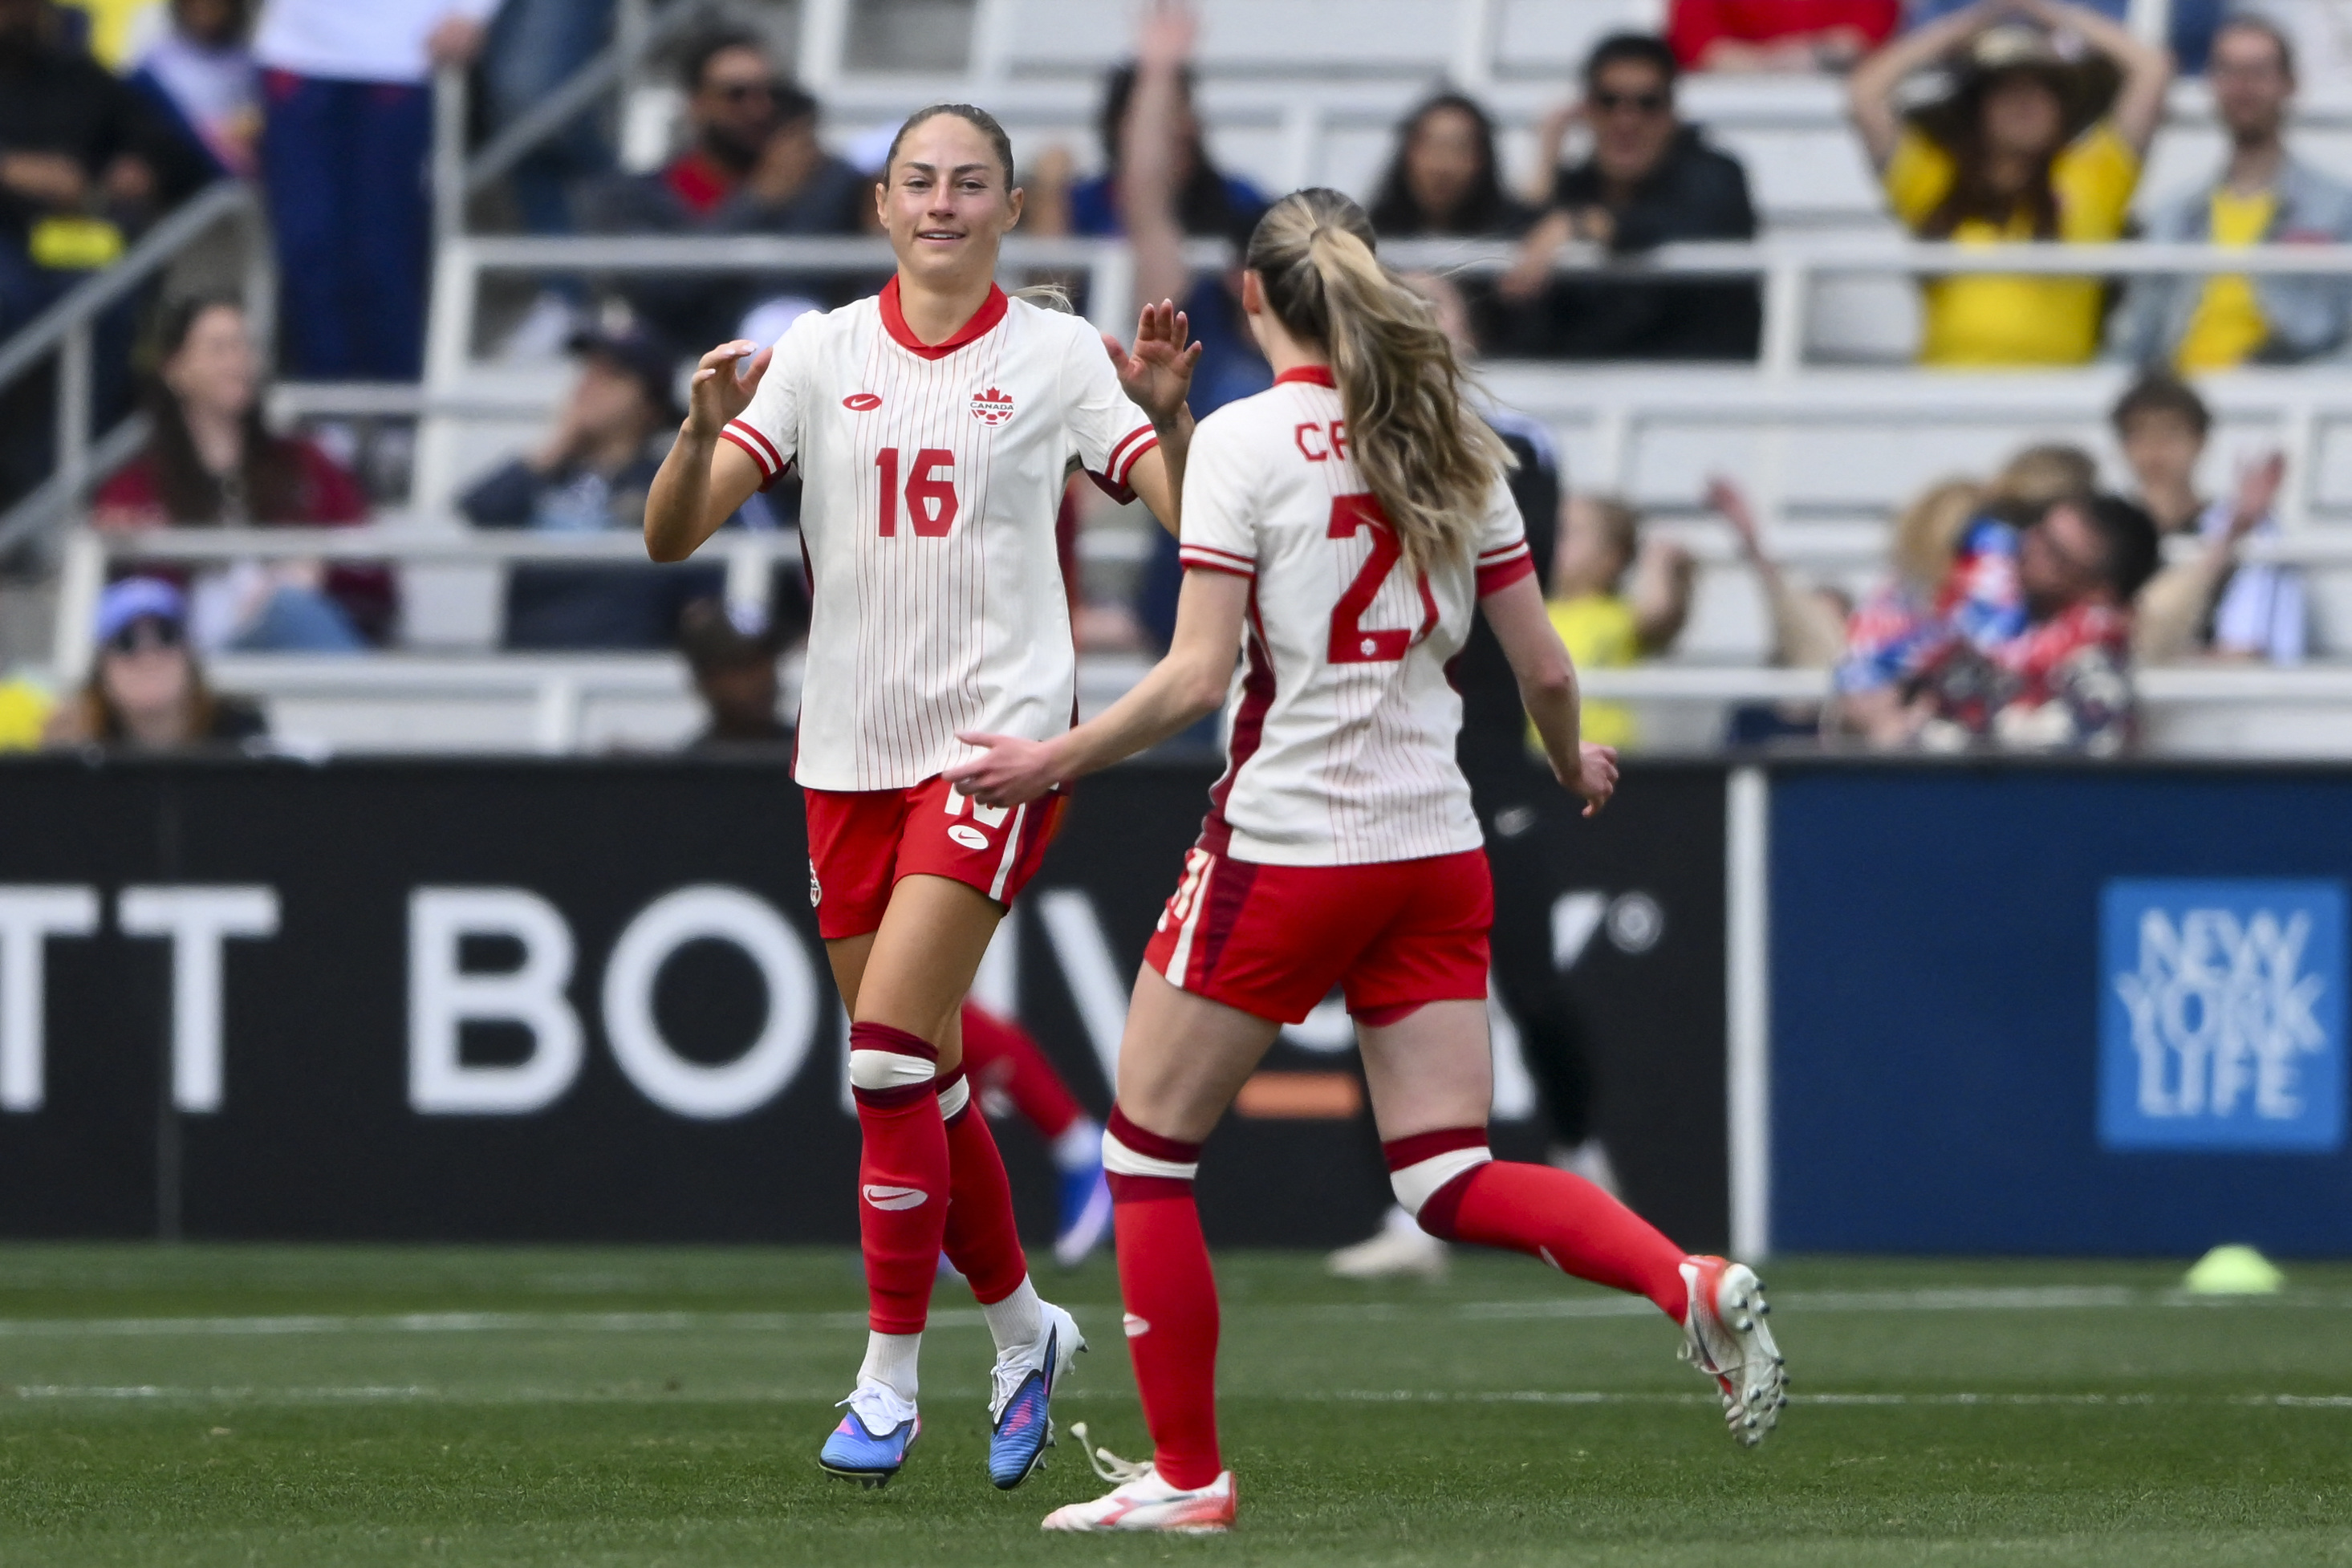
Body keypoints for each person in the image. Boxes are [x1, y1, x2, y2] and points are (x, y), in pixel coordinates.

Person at [948, 189, 1787, 1533]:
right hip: (1435, 847)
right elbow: (1545, 666)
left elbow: (1197, 673)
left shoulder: (1247, 435)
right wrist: (1568, 762)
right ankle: (1677, 1275)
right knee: (1444, 1172)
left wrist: (1052, 757)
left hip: (1287, 842)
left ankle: (1188, 1473)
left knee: (1146, 1153)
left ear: (1249, 297)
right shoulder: (1449, 435)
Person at [640, 102, 1200, 1491]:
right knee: (924, 1073)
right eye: (919, 181)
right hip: (845, 753)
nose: (942, 201)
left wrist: (1169, 418)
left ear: (1009, 209)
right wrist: (694, 435)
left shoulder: (1060, 355)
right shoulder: (820, 353)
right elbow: (671, 534)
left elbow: (1191, 524)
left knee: (885, 1051)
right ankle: (1023, 1328)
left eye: (969, 182)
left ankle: (887, 1378)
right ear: (881, 206)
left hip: (994, 747)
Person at [1848, 0, 2172, 368]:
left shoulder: (2093, 177)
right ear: (1978, 108)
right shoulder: (1934, 181)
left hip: (2059, 397)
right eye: (2006, 89)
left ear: (2062, 108)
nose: (2025, 104)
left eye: (2042, 90)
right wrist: (1974, 21)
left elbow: (2151, 69)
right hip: (1944, 393)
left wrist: (2046, 11)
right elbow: (1865, 92)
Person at [94, 297, 391, 650]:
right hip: (194, 660)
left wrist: (322, 569)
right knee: (289, 607)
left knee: (290, 606)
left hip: (291, 649)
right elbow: (119, 602)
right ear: (174, 371)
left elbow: (378, 575)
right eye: (219, 349)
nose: (237, 361)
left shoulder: (307, 462)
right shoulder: (135, 485)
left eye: (244, 346)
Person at [0, 0, 189, 504]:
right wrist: (12, 169)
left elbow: (167, 148)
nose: (16, 13)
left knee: (109, 306)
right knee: (11, 300)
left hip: (70, 247)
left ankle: (59, 490)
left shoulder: (76, 75)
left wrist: (137, 167)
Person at [252, 0, 496, 379]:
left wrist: (473, 12)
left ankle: (397, 399)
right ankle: (322, 399)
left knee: (386, 248)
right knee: (306, 243)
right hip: (298, 51)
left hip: (402, 53)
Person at [460, 320, 725, 650]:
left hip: (623, 664)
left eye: (611, 376)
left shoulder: (669, 482)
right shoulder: (547, 472)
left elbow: (701, 596)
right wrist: (558, 445)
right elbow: (479, 511)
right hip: (526, 661)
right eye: (588, 369)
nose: (589, 384)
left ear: (650, 407)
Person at [1500, 31, 1761, 360]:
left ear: (1672, 113)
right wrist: (1545, 162)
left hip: (1698, 381)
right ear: (1586, 111)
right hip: (1582, 380)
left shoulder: (1715, 174)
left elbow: (1698, 221)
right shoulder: (1573, 188)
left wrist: (1596, 224)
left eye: (1647, 103)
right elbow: (1512, 272)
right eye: (1608, 102)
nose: (1626, 121)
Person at [2114, 14, 2352, 373]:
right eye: (2228, 71)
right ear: (2211, 83)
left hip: (2288, 393)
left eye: (2258, 71)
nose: (2242, 87)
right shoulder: (2173, 213)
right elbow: (2138, 336)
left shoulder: (2339, 207)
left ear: (2290, 84)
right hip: (2177, 396)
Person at [1903, 491, 2159, 754]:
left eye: (2055, 554)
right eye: (2039, 530)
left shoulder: (2095, 672)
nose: (2029, 547)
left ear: (2100, 591)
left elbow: (2077, 762)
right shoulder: (1993, 627)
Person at [2110, 374, 2299, 664]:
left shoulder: (2248, 527)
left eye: (2170, 433)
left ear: (2201, 441)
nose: (2155, 449)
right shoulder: (2107, 529)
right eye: (2140, 434)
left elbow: (2246, 652)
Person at [41, 577, 268, 750]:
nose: (149, 655)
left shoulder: (244, 739)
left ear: (190, 656)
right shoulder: (74, 753)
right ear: (100, 669)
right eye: (126, 641)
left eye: (166, 635)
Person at [1544, 494, 1695, 750]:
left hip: (1603, 755)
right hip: (1539, 755)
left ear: (1612, 557)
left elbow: (1658, 610)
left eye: (1569, 533)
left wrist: (1658, 560)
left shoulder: (1614, 615)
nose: (1552, 540)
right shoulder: (1538, 611)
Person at [127, 0, 260, 181]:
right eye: (195, 6)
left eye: (215, 6)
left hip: (242, 178)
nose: (205, 11)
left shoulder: (251, 63)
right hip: (180, 176)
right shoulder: (154, 67)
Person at [1668, 0, 1899, 72]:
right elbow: (1697, 44)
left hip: (1841, 109)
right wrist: (1777, 63)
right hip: (1736, 110)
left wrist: (1810, 56)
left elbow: (1867, 34)